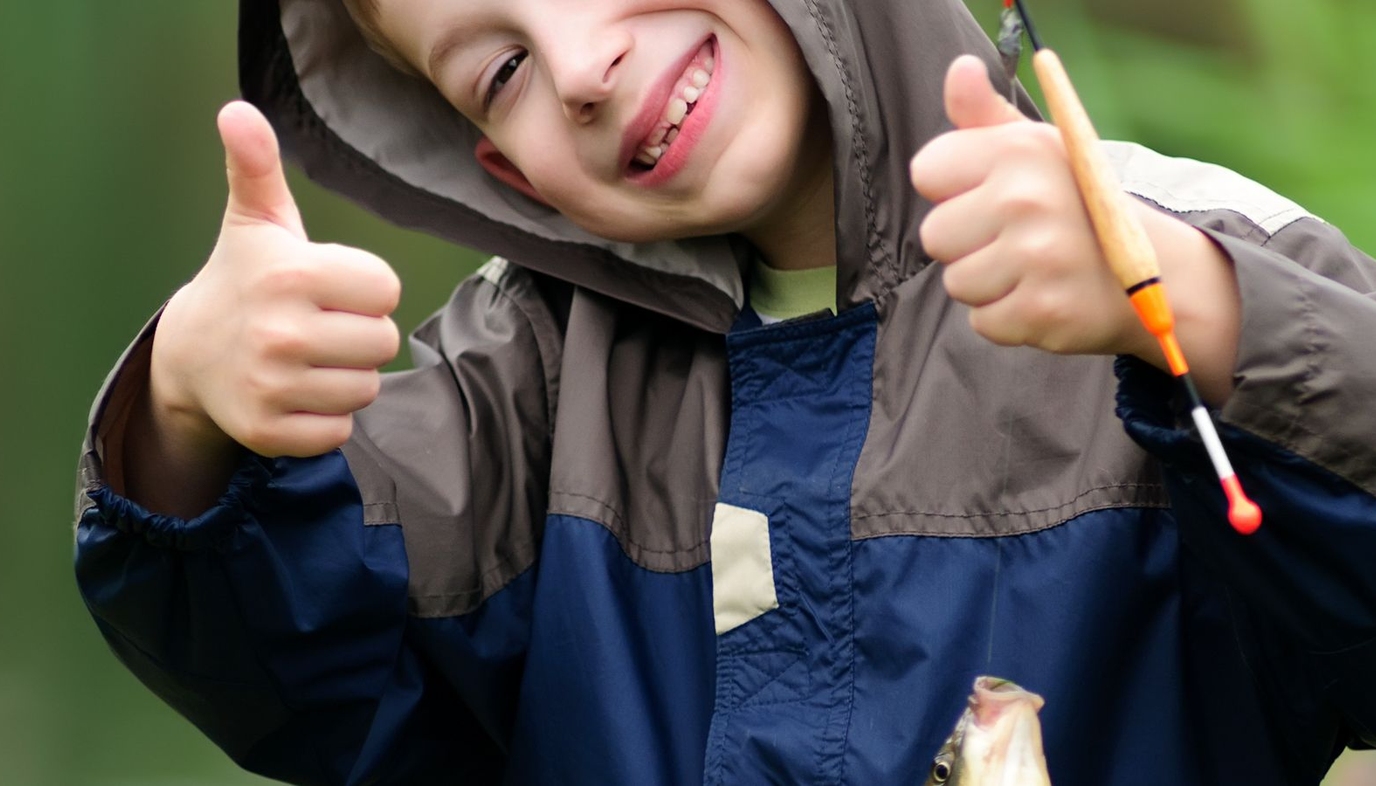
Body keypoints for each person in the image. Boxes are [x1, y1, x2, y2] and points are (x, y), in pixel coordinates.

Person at [74, 0, 1376, 783]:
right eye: (503, 70)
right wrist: (191, 416)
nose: (581, 65)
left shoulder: (1184, 254)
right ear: (506, 175)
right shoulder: (518, 385)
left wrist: (1200, 313)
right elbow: (301, 669)